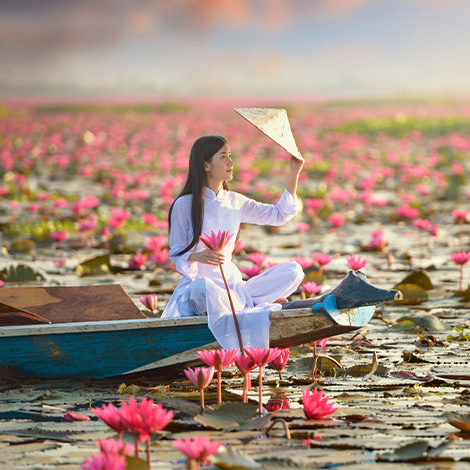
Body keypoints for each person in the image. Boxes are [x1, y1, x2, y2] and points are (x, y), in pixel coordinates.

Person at [161, 135, 305, 350]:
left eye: (230, 156)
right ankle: (255, 308)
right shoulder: (184, 204)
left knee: (294, 271)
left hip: (235, 288)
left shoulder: (235, 201)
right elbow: (175, 253)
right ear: (205, 165)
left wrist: (294, 172)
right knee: (204, 286)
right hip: (200, 291)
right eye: (223, 157)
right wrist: (196, 256)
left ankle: (249, 305)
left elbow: (278, 215)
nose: (231, 163)